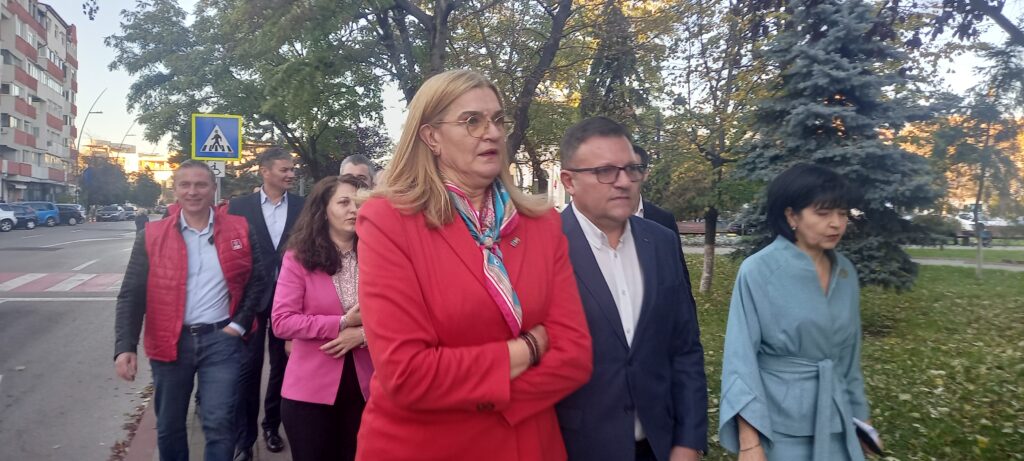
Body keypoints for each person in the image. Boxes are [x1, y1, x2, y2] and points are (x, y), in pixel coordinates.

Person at [354, 69, 593, 460]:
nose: (492, 132)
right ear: (431, 137)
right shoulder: (388, 221)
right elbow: (406, 374)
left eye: (498, 120)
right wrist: (531, 347)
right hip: (424, 448)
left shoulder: (542, 224)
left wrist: (478, 391)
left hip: (526, 444)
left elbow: (575, 356)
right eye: (472, 121)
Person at [555, 117, 708, 461]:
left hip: (659, 446)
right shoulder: (544, 246)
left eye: (632, 169)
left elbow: (685, 347)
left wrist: (689, 441)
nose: (624, 182)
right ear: (569, 181)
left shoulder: (662, 242)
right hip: (576, 448)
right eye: (606, 171)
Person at [113, 160, 268, 461]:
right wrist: (125, 347)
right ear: (175, 189)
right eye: (185, 185)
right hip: (169, 343)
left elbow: (257, 281)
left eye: (200, 185)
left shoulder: (239, 229)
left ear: (213, 188)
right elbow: (131, 294)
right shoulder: (151, 234)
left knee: (220, 423)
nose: (193, 191)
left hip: (221, 341)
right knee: (169, 426)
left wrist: (238, 325)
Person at [718, 163, 874, 461]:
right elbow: (741, 361)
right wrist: (750, 443)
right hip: (779, 428)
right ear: (791, 216)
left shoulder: (845, 272)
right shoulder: (759, 270)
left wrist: (861, 418)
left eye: (842, 213)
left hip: (837, 422)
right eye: (823, 213)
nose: (836, 224)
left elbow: (849, 358)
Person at [270, 174, 373, 461]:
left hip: (368, 387)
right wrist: (341, 323)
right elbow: (282, 321)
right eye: (344, 202)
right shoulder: (299, 258)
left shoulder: (378, 254)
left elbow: (399, 315)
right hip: (310, 393)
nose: (353, 210)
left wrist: (363, 335)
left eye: (359, 203)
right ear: (323, 211)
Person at [227, 147, 305, 460]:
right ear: (265, 171)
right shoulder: (239, 206)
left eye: (292, 169)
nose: (291, 174)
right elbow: (230, 251)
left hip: (291, 298)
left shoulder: (302, 205)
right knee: (248, 369)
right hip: (251, 300)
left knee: (283, 366)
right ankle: (243, 441)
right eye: (284, 169)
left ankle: (272, 427)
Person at [631, 144, 694, 289]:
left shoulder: (664, 220)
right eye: (618, 169)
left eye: (633, 169)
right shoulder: (599, 219)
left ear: (645, 174)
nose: (624, 177)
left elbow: (680, 277)